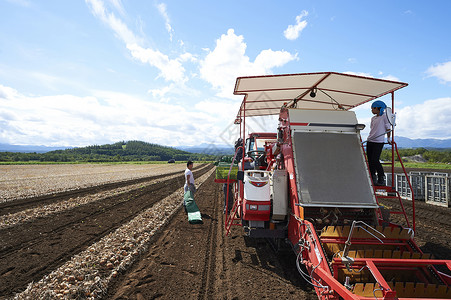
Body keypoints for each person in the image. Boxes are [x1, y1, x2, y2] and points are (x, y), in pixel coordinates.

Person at [367, 100, 391, 186]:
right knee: (370, 160)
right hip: (370, 140)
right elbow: (372, 129)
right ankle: (373, 177)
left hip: (378, 141)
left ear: (378, 108)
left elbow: (388, 128)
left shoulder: (384, 117)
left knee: (375, 160)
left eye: (373, 108)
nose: (372, 110)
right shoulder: (373, 118)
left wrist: (388, 138)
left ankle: (381, 177)